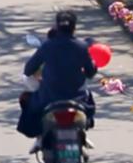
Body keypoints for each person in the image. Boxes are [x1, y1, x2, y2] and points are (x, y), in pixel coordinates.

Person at [18, 10, 97, 141]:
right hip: (77, 99)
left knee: (27, 100)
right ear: (74, 27)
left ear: (57, 26)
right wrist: (92, 65)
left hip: (48, 98)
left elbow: (28, 69)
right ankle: (83, 131)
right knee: (89, 99)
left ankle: (39, 138)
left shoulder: (47, 46)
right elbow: (90, 72)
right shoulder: (81, 46)